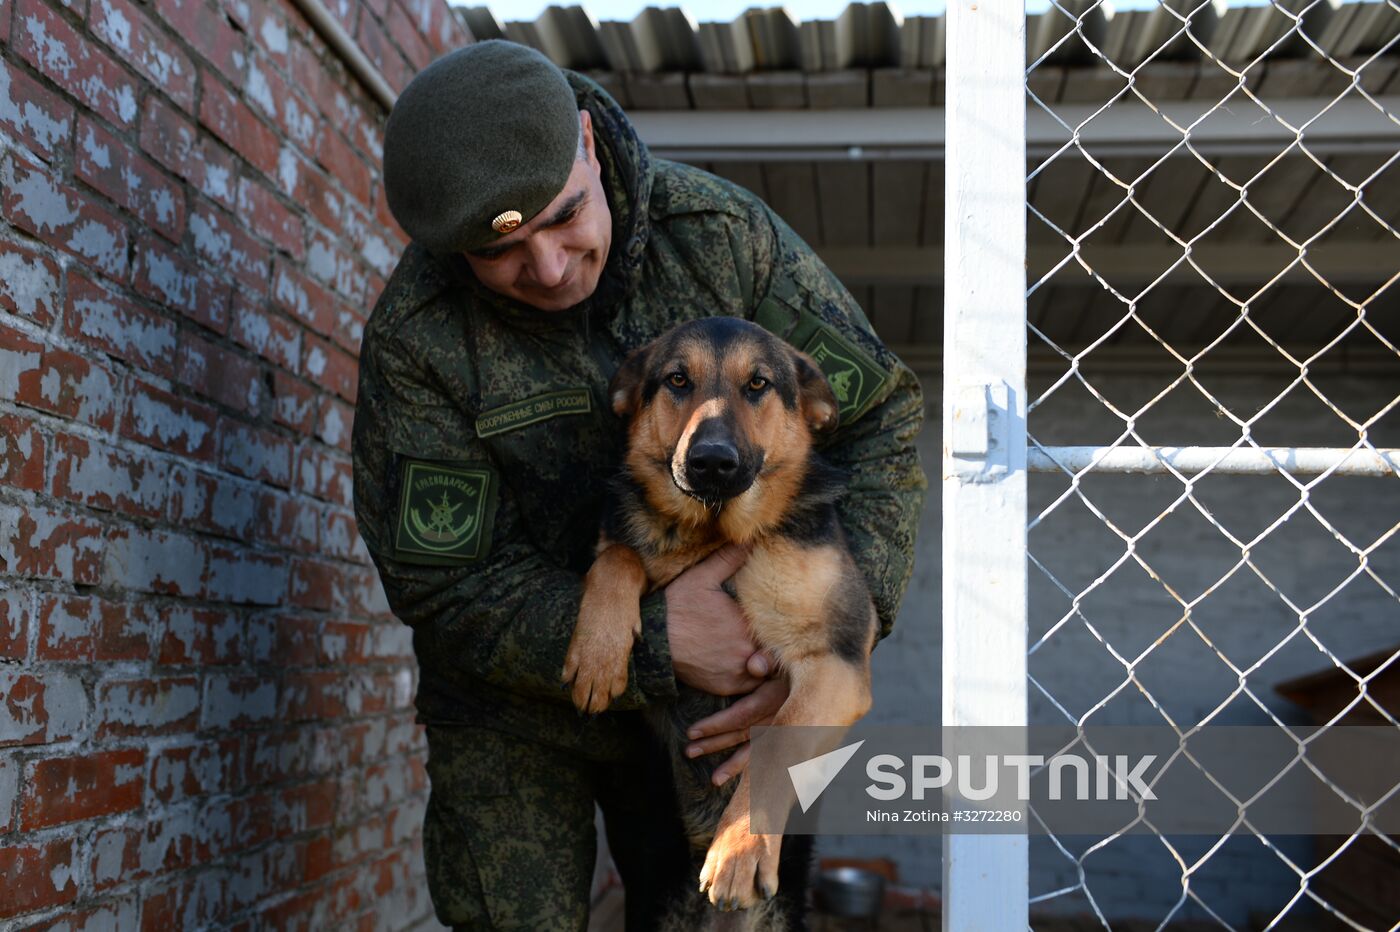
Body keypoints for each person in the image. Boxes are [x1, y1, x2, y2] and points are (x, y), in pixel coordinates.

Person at [351, 39, 927, 931]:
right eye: (497, 251)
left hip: (721, 703)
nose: (547, 267)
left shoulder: (721, 239)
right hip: (521, 700)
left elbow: (880, 418)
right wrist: (659, 635)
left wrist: (826, 642)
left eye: (564, 216)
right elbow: (442, 583)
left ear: (587, 140)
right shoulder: (418, 339)